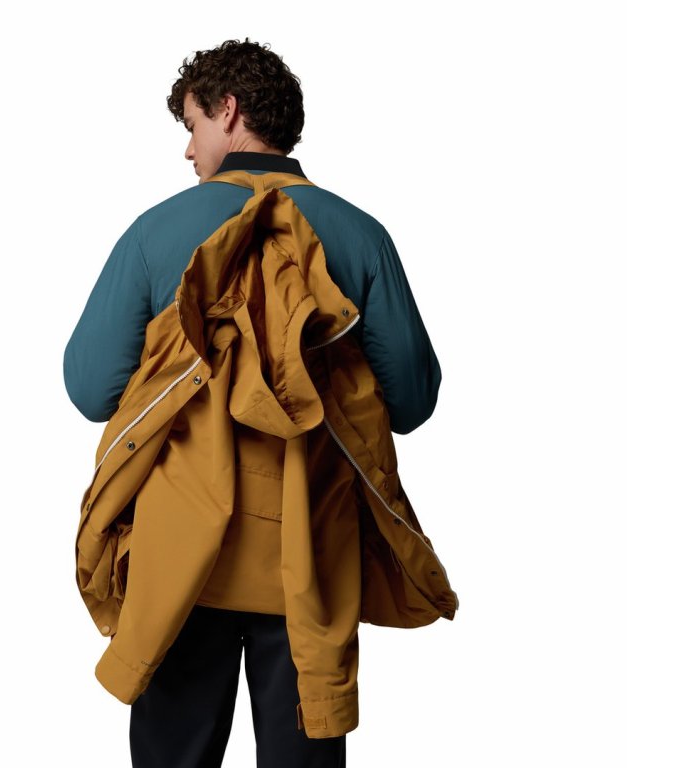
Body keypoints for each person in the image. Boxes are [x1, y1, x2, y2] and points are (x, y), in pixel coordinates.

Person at [63, 37, 442, 768]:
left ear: (229, 111)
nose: (188, 150)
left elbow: (90, 388)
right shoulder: (362, 237)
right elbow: (413, 402)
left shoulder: (155, 232)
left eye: (192, 126)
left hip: (181, 568)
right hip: (313, 562)